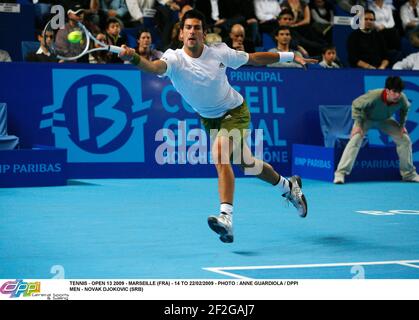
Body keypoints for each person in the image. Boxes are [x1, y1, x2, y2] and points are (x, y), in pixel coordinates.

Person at [119, 10, 315, 243]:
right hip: (210, 119)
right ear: (181, 34)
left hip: (235, 112)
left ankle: (226, 218)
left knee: (220, 156)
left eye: (197, 28)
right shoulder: (174, 59)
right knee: (248, 165)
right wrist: (132, 57)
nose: (192, 31)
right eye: (188, 28)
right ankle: (288, 186)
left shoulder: (220, 53)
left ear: (203, 33)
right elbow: (153, 68)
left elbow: (254, 58)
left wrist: (290, 55)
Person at [334, 76, 419, 184]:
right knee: (355, 139)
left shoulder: (402, 98)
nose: (397, 95)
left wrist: (402, 125)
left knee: (405, 139)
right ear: (387, 91)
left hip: (385, 120)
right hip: (366, 119)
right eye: (394, 91)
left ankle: (408, 174)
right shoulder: (374, 95)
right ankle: (340, 173)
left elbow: (405, 109)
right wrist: (358, 124)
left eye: (399, 92)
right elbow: (356, 104)